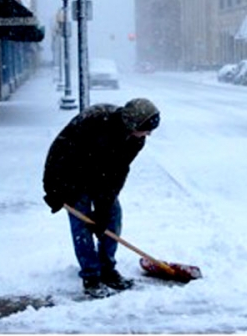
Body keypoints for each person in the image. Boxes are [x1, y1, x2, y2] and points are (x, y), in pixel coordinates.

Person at [43, 98, 161, 298]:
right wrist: (53, 189)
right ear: (133, 123)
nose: (148, 134)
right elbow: (59, 152)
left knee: (112, 217)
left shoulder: (136, 139)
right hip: (73, 176)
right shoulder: (94, 121)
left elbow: (119, 171)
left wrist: (103, 209)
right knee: (82, 224)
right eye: (146, 129)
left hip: (101, 177)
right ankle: (91, 277)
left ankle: (108, 270)